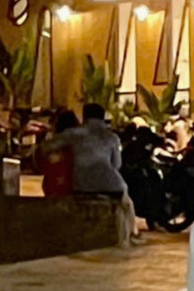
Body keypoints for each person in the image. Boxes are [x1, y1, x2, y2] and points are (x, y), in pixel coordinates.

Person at [53, 104, 138, 245]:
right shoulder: (112, 137)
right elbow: (116, 165)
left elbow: (49, 147)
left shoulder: (73, 134)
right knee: (126, 203)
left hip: (81, 184)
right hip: (109, 186)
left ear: (85, 116)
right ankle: (128, 236)